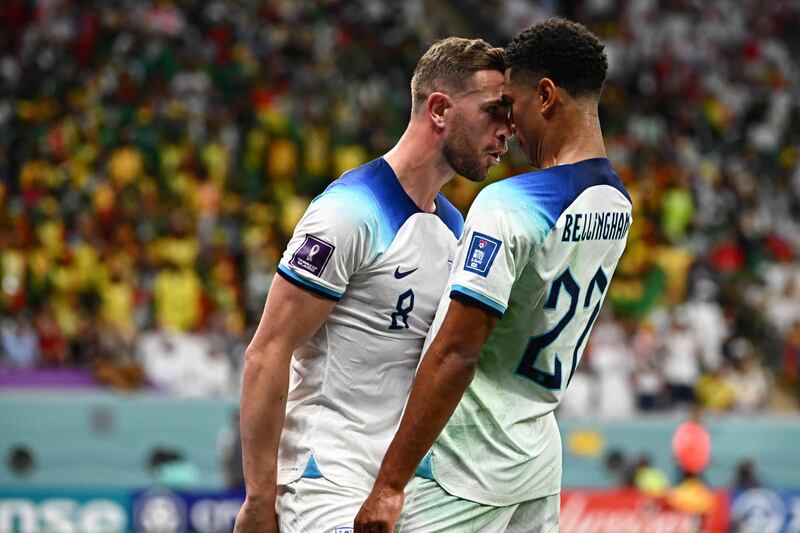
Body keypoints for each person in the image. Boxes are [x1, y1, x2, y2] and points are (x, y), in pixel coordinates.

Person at [356, 18, 632, 532]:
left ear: (545, 96)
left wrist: (389, 484)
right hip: (537, 455)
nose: (509, 125)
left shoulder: (510, 204)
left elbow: (458, 351)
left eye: (513, 104)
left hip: (468, 462)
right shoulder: (618, 203)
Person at [234, 37, 511, 533]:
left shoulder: (456, 229)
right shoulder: (349, 212)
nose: (506, 131)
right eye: (495, 111)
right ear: (441, 109)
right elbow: (267, 352)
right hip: (326, 484)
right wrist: (259, 499)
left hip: (402, 492)